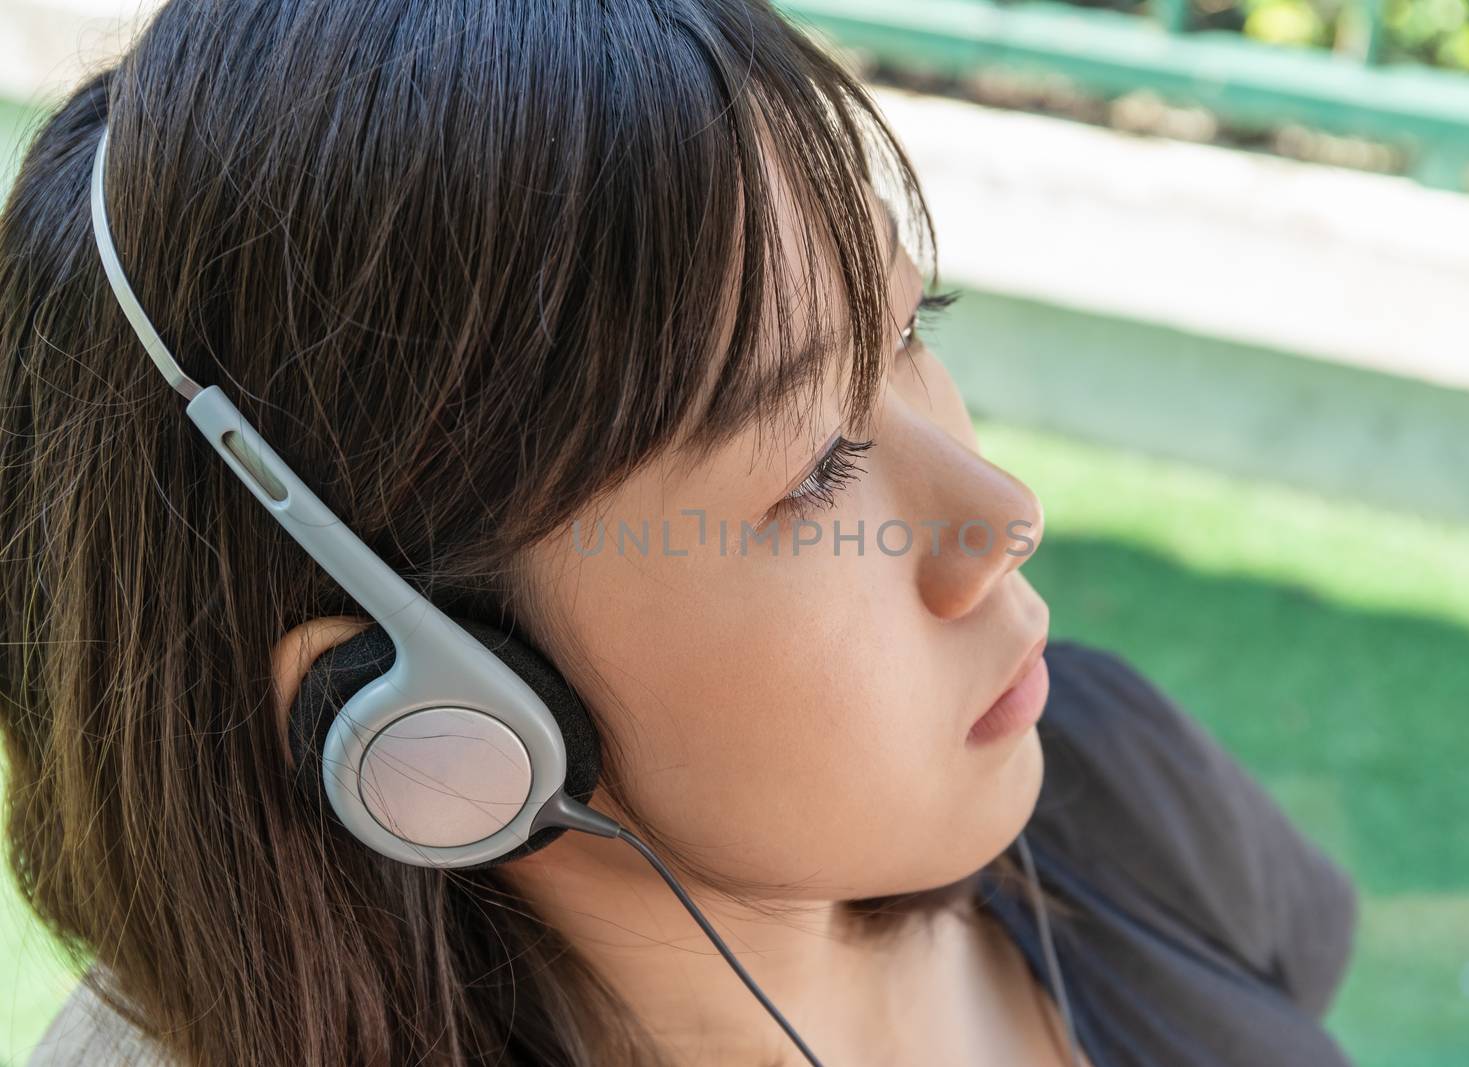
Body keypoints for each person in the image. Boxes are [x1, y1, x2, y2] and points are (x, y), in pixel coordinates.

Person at [0, 1, 1357, 1064]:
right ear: (428, 717)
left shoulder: (1103, 786)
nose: (1005, 517)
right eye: (821, 467)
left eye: (908, 335)